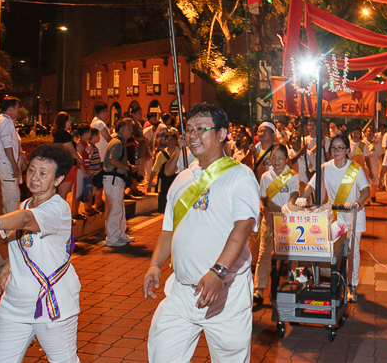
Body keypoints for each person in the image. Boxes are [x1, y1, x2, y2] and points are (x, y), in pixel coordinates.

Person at [142, 103, 260, 363]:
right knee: (162, 355)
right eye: (190, 129)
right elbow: (168, 230)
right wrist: (155, 264)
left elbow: (242, 228)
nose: (193, 135)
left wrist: (218, 272)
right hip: (182, 292)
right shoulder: (183, 178)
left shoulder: (240, 176)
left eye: (201, 129)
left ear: (221, 134)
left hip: (225, 291)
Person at [0, 144, 80, 363]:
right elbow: (25, 242)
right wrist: (10, 266)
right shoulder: (25, 204)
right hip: (15, 305)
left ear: (58, 180)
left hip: (51, 307)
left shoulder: (57, 209)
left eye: (43, 174)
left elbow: (27, 220)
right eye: (31, 170)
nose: (34, 177)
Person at [298, 133, 370, 303]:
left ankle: (352, 285)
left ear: (347, 150)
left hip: (354, 215)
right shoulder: (325, 167)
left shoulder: (355, 169)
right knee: (332, 251)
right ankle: (335, 281)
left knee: (352, 253)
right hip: (336, 215)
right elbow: (311, 185)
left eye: (340, 148)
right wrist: (302, 198)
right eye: (333, 148)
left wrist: (357, 203)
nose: (336, 151)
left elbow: (366, 190)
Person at [252, 145, 299, 308]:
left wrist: (291, 203)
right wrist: (263, 206)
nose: (276, 161)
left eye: (280, 157)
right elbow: (262, 197)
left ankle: (294, 284)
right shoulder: (265, 176)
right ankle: (259, 289)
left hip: (286, 219)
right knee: (264, 253)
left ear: (286, 159)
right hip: (269, 218)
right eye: (274, 157)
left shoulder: (292, 176)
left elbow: (294, 193)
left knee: (291, 255)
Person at [103, 118, 136, 247]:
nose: (131, 131)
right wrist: (127, 167)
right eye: (129, 128)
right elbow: (112, 161)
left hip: (116, 178)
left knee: (119, 207)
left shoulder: (119, 142)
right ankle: (112, 238)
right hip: (113, 178)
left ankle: (120, 234)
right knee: (115, 208)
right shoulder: (117, 142)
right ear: (121, 129)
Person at [0, 97, 24, 215]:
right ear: (10, 109)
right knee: (12, 197)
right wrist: (14, 165)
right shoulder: (6, 121)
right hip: (5, 163)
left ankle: (6, 227)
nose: (18, 110)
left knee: (6, 196)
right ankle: (11, 230)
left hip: (1, 163)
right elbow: (7, 145)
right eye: (17, 108)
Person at [52, 112, 85, 219]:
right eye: (69, 120)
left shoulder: (61, 134)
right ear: (64, 122)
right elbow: (70, 149)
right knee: (63, 193)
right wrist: (79, 158)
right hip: (65, 166)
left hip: (64, 165)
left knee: (63, 192)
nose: (71, 122)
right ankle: (61, 218)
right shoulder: (63, 134)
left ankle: (61, 217)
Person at [153, 130, 188, 214]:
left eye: (172, 139)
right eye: (167, 139)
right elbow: (155, 169)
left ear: (176, 141)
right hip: (164, 185)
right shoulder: (161, 154)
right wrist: (150, 184)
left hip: (176, 183)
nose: (169, 142)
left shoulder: (183, 152)